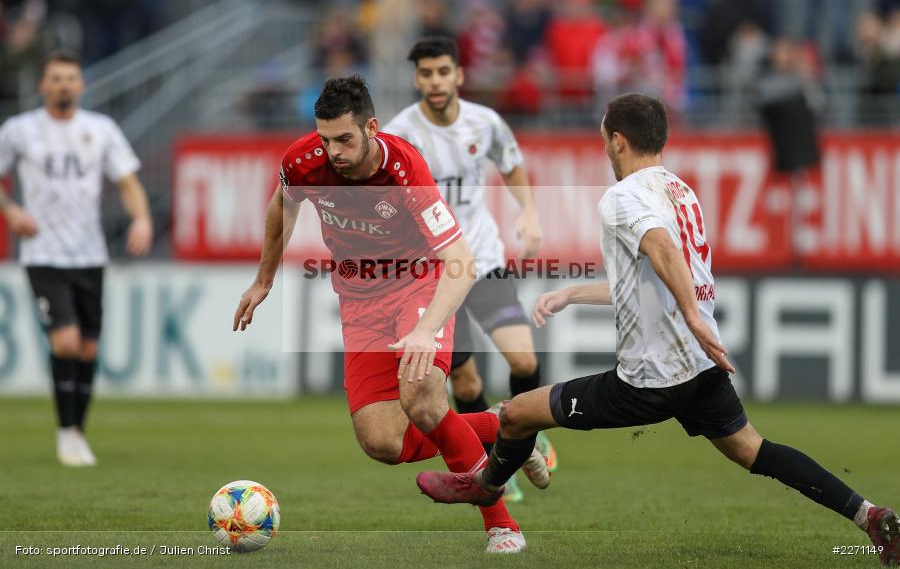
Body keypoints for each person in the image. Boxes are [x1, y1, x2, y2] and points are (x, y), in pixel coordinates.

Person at [415, 93, 899, 567]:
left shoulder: (622, 196)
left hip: (651, 379)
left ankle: (486, 487)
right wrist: (571, 294)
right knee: (754, 450)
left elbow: (663, 250)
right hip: (699, 367)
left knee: (518, 414)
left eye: (604, 137)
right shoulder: (680, 191)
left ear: (618, 141)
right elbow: (649, 279)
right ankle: (868, 514)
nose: (604, 147)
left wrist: (689, 313)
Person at [233, 75, 548, 553]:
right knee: (382, 442)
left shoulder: (405, 170)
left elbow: (460, 262)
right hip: (359, 301)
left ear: (371, 128)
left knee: (422, 397)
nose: (332, 151)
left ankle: (502, 526)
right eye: (324, 139)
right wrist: (264, 279)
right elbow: (283, 206)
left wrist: (426, 328)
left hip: (417, 286)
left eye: (344, 139)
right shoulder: (302, 160)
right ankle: (504, 422)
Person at [383, 36, 555, 503]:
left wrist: (529, 211)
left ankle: (525, 432)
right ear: (416, 78)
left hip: (484, 259)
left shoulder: (487, 122)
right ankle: (496, 467)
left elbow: (513, 164)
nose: (434, 82)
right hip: (433, 276)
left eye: (442, 72)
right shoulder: (401, 135)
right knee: (466, 382)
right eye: (425, 74)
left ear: (458, 74)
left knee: (524, 360)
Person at [0, 50, 153, 467]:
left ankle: (77, 433)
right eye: (56, 78)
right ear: (43, 86)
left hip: (90, 253)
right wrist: (11, 209)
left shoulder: (100, 129)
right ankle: (66, 432)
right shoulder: (19, 130)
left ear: (81, 85)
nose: (64, 85)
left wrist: (140, 218)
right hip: (43, 252)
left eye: (71, 78)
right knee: (65, 341)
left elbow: (127, 180)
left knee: (87, 348)